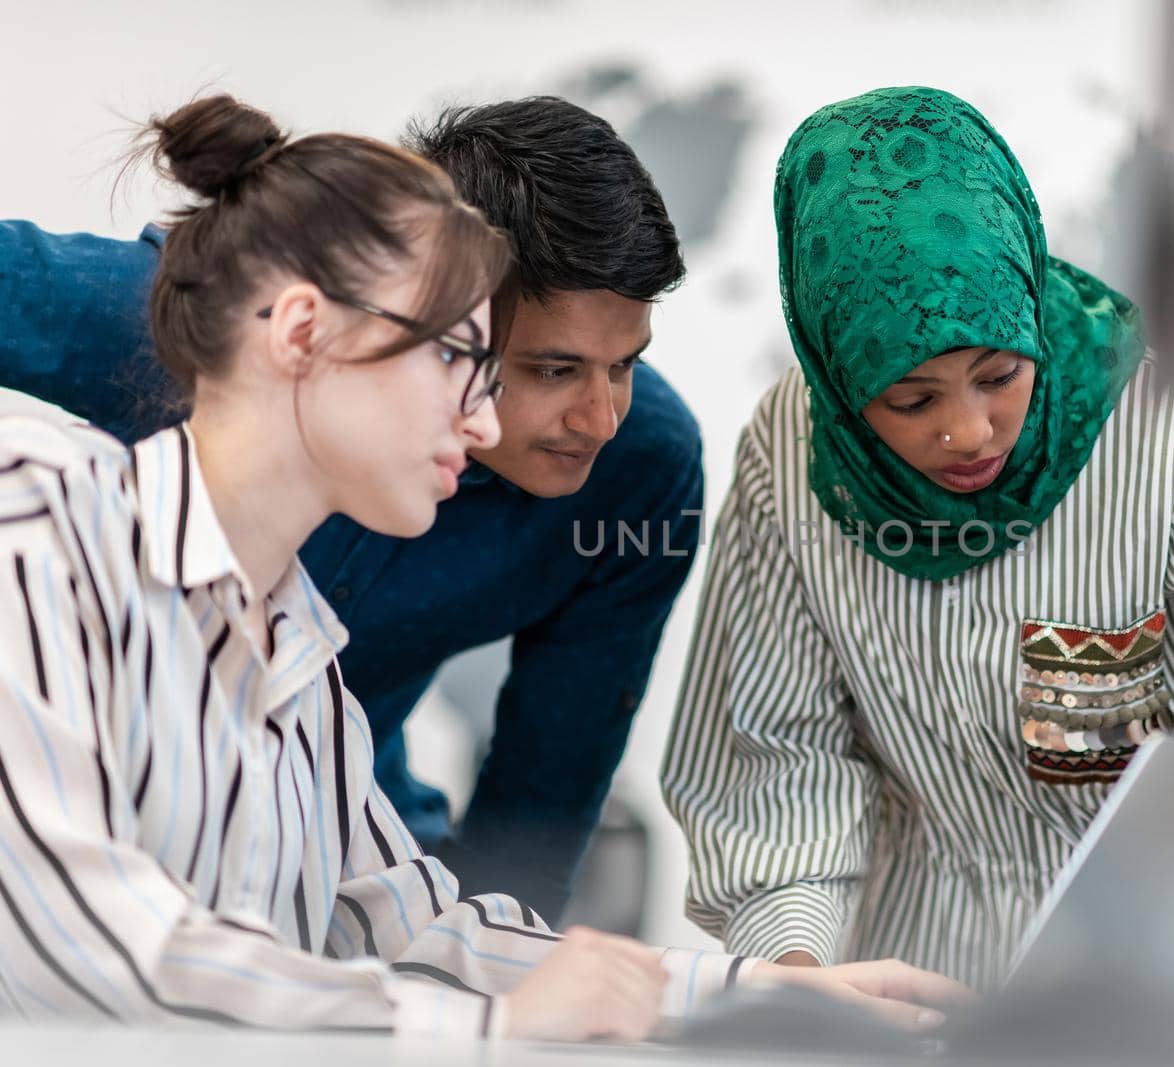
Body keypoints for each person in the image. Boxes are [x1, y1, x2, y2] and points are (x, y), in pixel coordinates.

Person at [0, 94, 965, 1040]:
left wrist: (746, 992)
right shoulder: (40, 532)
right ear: (298, 333)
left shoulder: (308, 660)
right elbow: (109, 958)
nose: (483, 416)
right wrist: (491, 1024)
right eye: (464, 358)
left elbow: (424, 923)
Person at [660, 86, 1174, 1047]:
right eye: (910, 399)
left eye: (1000, 375)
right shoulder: (791, 458)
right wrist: (797, 980)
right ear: (839, 383)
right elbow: (778, 767)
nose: (967, 431)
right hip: (918, 995)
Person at [0, 97, 703, 918]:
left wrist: (508, 1011)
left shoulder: (642, 467)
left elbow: (542, 800)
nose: (600, 421)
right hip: (96, 806)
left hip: (339, 821)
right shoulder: (206, 324)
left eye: (623, 366)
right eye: (551, 370)